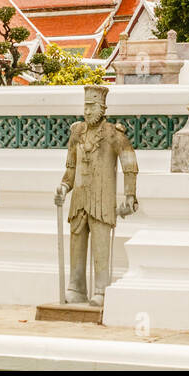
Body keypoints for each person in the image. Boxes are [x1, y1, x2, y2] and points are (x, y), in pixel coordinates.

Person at [54, 84, 138, 305]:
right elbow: (71, 168)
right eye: (85, 106)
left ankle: (101, 289)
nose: (87, 111)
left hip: (102, 199)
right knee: (77, 244)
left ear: (102, 108)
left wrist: (130, 195)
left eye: (92, 106)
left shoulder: (112, 134)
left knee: (101, 245)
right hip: (79, 197)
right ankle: (76, 287)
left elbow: (129, 162)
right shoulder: (77, 133)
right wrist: (64, 186)